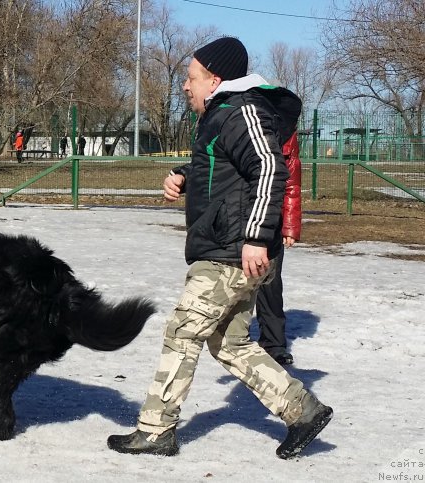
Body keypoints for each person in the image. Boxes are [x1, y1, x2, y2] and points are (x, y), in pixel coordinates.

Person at [107, 37, 332, 459]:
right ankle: (303, 410)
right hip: (229, 248)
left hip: (231, 251)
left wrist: (255, 238)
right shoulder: (224, 114)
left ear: (215, 79)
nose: (185, 87)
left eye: (191, 78)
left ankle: (156, 430)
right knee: (229, 343)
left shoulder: (242, 110)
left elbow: (269, 167)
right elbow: (227, 170)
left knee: (183, 330)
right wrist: (184, 175)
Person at [256, 131, 302, 366]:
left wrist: (290, 225)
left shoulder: (285, 129)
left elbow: (291, 182)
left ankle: (273, 343)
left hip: (271, 218)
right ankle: (222, 337)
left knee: (270, 282)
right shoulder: (233, 116)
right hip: (237, 214)